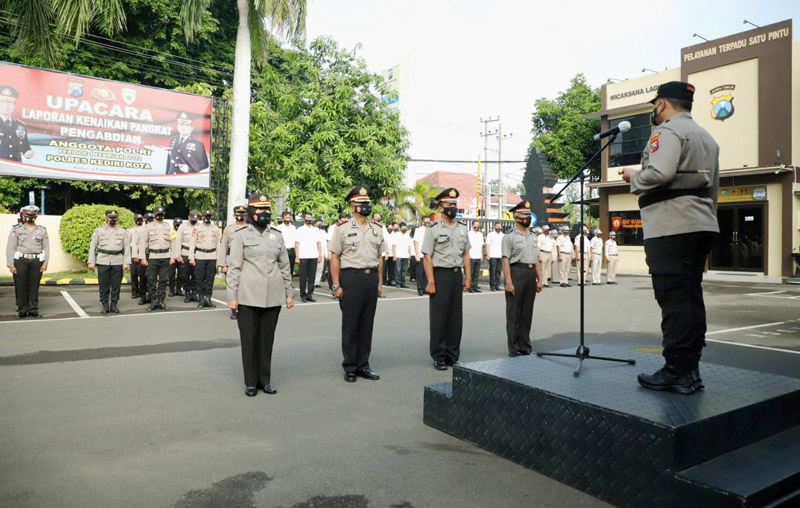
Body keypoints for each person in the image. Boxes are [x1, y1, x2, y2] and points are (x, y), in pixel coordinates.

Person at [621, 80, 720, 394]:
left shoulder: (666, 132)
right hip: (701, 223)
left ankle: (676, 370)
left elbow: (659, 173)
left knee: (673, 299)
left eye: (654, 105)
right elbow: (713, 188)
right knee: (690, 296)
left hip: (670, 226)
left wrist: (633, 176)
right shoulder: (706, 137)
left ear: (662, 104)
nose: (654, 110)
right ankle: (691, 368)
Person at [226, 192, 294, 396]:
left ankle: (265, 380)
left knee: (266, 341)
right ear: (251, 212)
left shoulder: (277, 235)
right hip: (248, 296)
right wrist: (232, 296)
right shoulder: (240, 235)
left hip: (272, 296)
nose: (265, 212)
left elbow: (285, 266)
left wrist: (289, 293)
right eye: (260, 209)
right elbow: (234, 267)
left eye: (267, 209)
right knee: (249, 340)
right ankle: (250, 382)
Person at [329, 185, 384, 382]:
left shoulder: (377, 228)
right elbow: (334, 257)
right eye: (360, 203)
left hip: (370, 278)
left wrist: (379, 283)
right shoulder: (342, 228)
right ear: (352, 206)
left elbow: (379, 257)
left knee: (367, 324)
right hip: (350, 277)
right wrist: (336, 285)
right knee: (351, 323)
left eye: (367, 202)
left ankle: (363, 365)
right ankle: (350, 366)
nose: (365, 205)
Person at [422, 188, 471, 370]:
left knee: (455, 318)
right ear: (440, 208)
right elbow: (427, 256)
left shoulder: (462, 228)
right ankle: (439, 356)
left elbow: (466, 254)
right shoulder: (433, 229)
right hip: (440, 275)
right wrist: (431, 281)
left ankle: (452, 355)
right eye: (449, 204)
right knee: (439, 317)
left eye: (454, 204)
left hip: (456, 274)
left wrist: (468, 277)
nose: (452, 207)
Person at [502, 201, 544, 357]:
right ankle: (513, 348)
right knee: (514, 312)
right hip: (517, 272)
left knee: (527, 313)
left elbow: (536, 259)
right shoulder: (509, 236)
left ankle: (525, 346)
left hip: (530, 273)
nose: (528, 217)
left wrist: (539, 278)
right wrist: (508, 282)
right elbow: (505, 260)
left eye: (528, 214)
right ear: (517, 218)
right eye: (525, 215)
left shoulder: (533, 236)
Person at [6, 205, 48, 318]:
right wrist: (11, 264)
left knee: (34, 286)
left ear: (36, 216)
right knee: (21, 285)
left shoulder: (42, 230)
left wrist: (45, 263)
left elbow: (46, 248)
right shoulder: (16, 229)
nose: (30, 217)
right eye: (28, 215)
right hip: (20, 260)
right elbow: (11, 247)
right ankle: (22, 310)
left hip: (36, 261)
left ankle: (33, 309)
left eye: (33, 215)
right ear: (23, 216)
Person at [88, 209, 131, 314]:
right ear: (106, 218)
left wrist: (126, 262)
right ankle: (105, 304)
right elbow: (93, 246)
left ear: (117, 218)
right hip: (103, 260)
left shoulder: (122, 231)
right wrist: (91, 261)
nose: (113, 219)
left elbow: (127, 247)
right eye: (110, 217)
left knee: (116, 285)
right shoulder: (99, 231)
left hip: (117, 261)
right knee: (103, 284)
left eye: (114, 217)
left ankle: (114, 304)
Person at [138, 206, 175, 311]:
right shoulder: (148, 227)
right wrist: (143, 258)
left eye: (162, 214)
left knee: (164, 280)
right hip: (153, 257)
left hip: (165, 256)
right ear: (154, 215)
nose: (160, 216)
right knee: (151, 280)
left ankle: (161, 301)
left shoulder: (169, 226)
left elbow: (173, 242)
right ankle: (153, 301)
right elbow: (142, 242)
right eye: (158, 214)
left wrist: (173, 256)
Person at [218, 205, 248, 319]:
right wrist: (223, 265)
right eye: (238, 213)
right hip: (231, 260)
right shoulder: (229, 229)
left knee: (244, 286)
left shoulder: (249, 228)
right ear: (234, 215)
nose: (240, 215)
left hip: (245, 260)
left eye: (242, 213)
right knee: (232, 285)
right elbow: (223, 246)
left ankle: (243, 308)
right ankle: (234, 309)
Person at [190, 209, 221, 308]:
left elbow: (218, 244)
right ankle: (201, 298)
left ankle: (208, 298)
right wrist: (191, 257)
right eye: (205, 216)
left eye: (209, 216)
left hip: (212, 256)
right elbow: (192, 243)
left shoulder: (215, 228)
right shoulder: (197, 228)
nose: (207, 218)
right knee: (200, 278)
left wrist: (219, 258)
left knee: (210, 279)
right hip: (200, 255)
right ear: (202, 217)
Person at [0, 85, 35, 162]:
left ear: (14, 105)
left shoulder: (20, 125)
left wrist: (27, 152)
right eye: (2, 101)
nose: (6, 105)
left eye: (9, 102)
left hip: (15, 164)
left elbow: (24, 145)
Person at [294, 212, 322, 302]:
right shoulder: (300, 230)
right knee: (303, 277)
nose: (309, 219)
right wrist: (297, 256)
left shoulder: (315, 230)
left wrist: (319, 255)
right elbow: (297, 244)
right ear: (304, 219)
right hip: (303, 256)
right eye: (307, 217)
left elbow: (318, 243)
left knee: (312, 277)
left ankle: (310, 295)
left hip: (313, 255)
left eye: (310, 217)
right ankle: (303, 295)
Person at [175, 210, 199, 303]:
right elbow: (178, 240)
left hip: (196, 253)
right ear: (189, 217)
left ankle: (194, 292)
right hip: (185, 252)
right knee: (185, 274)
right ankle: (187, 293)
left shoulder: (199, 226)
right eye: (192, 218)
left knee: (195, 274)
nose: (194, 220)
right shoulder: (183, 226)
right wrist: (178, 255)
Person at [128, 213, 146, 300]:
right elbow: (128, 243)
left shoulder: (146, 229)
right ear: (134, 220)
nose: (139, 221)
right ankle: (134, 292)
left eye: (140, 219)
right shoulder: (130, 230)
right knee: (134, 274)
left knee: (143, 274)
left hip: (143, 253)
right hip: (133, 253)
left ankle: (143, 291)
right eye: (137, 220)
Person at [413, 216, 431, 296]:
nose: (428, 223)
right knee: (420, 273)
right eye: (426, 222)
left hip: (429, 255)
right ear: (422, 222)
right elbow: (416, 243)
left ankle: (426, 288)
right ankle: (420, 289)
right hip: (420, 255)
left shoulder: (431, 230)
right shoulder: (418, 230)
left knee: (427, 273)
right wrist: (417, 255)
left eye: (429, 221)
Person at [275, 211, 297, 276]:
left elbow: (295, 239)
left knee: (291, 267)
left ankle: (290, 280)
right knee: (283, 266)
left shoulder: (293, 227)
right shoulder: (279, 228)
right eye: (286, 217)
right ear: (282, 218)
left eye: (289, 217)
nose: (288, 219)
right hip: (283, 249)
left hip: (292, 249)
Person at [393, 222, 413, 288]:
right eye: (403, 227)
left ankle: (403, 283)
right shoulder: (397, 235)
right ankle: (398, 283)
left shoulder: (407, 235)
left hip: (406, 255)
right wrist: (394, 255)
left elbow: (409, 246)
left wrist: (410, 254)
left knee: (404, 270)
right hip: (398, 255)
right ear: (400, 228)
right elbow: (394, 246)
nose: (405, 228)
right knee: (398, 270)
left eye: (405, 227)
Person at [467, 220, 485, 293]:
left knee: (476, 272)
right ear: (472, 225)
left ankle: (475, 286)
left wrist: (481, 255)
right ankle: (470, 287)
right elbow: (466, 246)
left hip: (478, 255)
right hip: (471, 256)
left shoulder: (480, 234)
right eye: (476, 225)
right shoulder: (468, 234)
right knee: (470, 272)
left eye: (478, 225)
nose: (477, 226)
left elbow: (481, 246)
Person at [485, 222, 504, 291]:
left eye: (499, 227)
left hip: (500, 255)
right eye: (497, 226)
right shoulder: (490, 234)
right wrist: (488, 254)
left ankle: (497, 285)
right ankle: (492, 286)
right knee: (493, 271)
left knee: (498, 271)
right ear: (494, 227)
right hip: (492, 255)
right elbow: (487, 245)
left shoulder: (503, 235)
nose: (498, 228)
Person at [168, 218, 183, 297]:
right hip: (172, 256)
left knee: (181, 274)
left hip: (180, 256)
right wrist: (171, 257)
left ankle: (179, 289)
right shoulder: (170, 232)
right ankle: (171, 290)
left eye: (179, 225)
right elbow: (169, 246)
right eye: (176, 225)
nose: (177, 226)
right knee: (171, 274)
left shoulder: (183, 232)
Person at [313, 219, 327, 288]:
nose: (320, 225)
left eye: (321, 224)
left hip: (322, 253)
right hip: (313, 253)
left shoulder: (323, 232)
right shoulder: (312, 230)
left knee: (320, 269)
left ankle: (317, 282)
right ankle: (312, 282)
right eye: (318, 224)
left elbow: (325, 243)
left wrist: (326, 254)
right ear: (315, 224)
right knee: (313, 269)